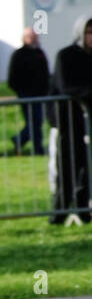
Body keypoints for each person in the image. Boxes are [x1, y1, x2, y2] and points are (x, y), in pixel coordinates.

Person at [49, 15, 92, 223]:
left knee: (87, 168)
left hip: (88, 123)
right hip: (68, 121)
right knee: (66, 165)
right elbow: (67, 86)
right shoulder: (66, 56)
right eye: (89, 32)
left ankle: (83, 209)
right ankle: (59, 211)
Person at [8, 27, 50, 156]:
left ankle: (19, 140)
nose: (34, 39)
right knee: (34, 122)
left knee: (37, 121)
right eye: (31, 37)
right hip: (26, 95)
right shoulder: (18, 54)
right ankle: (37, 148)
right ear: (25, 38)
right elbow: (13, 77)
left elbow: (45, 72)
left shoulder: (39, 53)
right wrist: (21, 91)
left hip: (40, 94)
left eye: (35, 37)